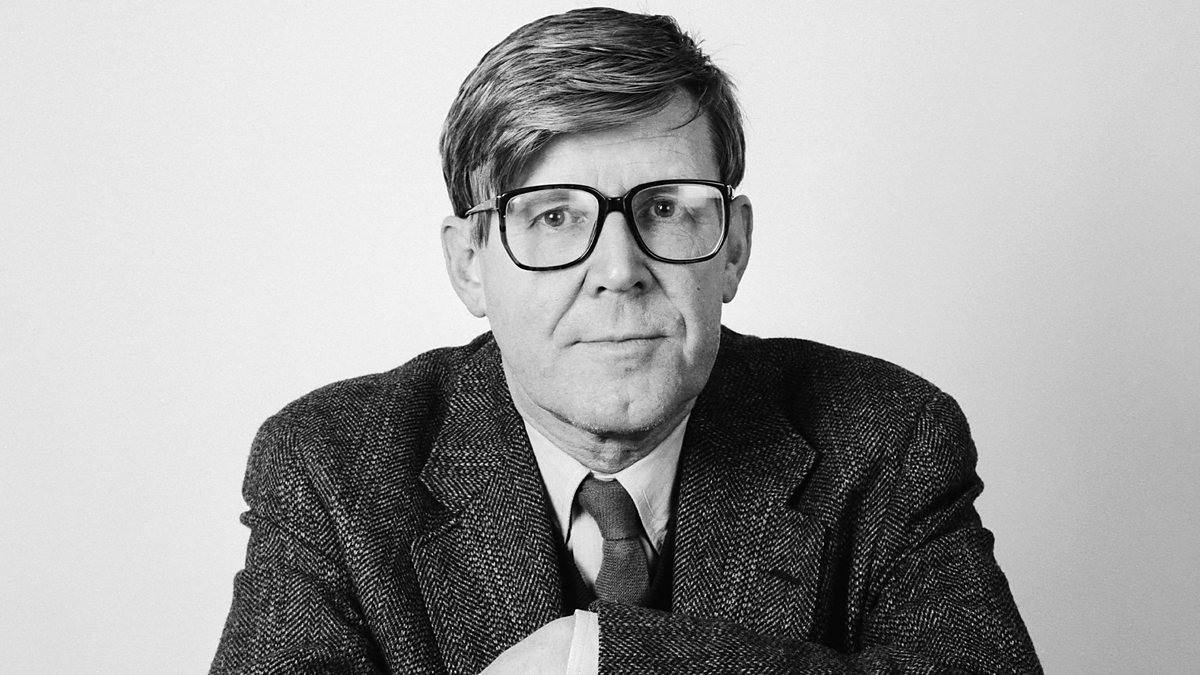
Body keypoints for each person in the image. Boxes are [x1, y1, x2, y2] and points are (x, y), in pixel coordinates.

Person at [211, 7, 1040, 674]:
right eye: (554, 216)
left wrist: (602, 657)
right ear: (470, 265)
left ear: (734, 247)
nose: (619, 269)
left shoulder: (889, 440)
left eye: (667, 207)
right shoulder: (332, 466)